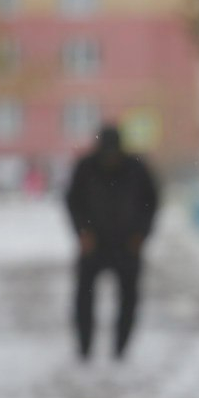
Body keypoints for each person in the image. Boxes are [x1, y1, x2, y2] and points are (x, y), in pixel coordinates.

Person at [65, 124, 159, 360]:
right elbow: (72, 202)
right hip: (93, 245)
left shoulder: (137, 169)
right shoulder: (85, 168)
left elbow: (152, 202)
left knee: (129, 299)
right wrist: (82, 232)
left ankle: (120, 349)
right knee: (84, 298)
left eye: (114, 154)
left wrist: (141, 234)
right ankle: (84, 349)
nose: (110, 159)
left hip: (127, 245)